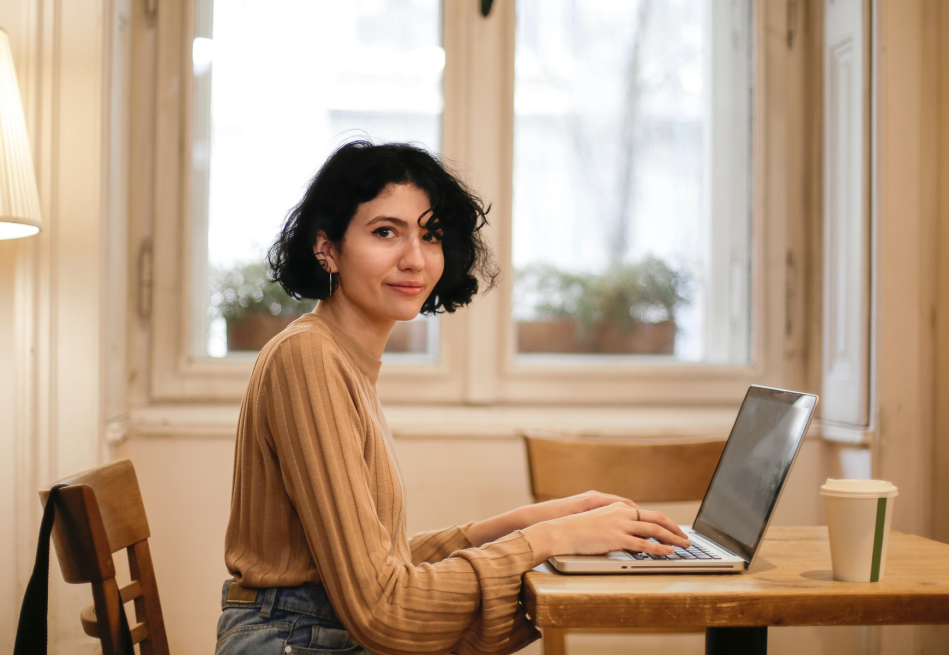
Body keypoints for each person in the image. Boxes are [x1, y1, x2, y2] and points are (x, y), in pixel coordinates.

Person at [216, 141, 690, 655]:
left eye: (431, 234)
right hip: (297, 641)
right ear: (326, 247)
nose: (414, 258)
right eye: (385, 232)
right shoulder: (309, 358)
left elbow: (377, 564)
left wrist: (542, 520)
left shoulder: (341, 357)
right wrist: (553, 542)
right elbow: (382, 607)